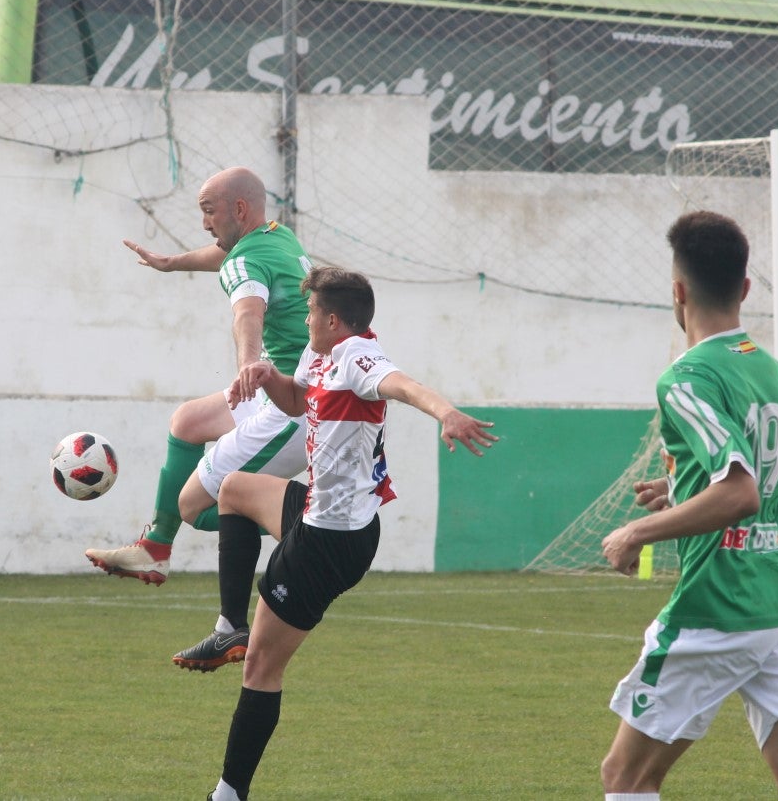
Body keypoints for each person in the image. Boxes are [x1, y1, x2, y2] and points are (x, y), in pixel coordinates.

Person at [598, 211, 778, 801]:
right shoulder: (774, 374)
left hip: (720, 607)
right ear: (746, 289)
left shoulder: (687, 377)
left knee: (626, 777)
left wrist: (637, 532)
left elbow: (742, 493)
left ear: (677, 291)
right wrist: (684, 490)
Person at [203, 266, 498, 801]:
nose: (307, 318)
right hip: (325, 513)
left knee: (262, 668)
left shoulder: (357, 355)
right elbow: (300, 401)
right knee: (235, 489)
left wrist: (446, 412)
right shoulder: (318, 355)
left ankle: (228, 794)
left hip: (328, 541)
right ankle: (230, 624)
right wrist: (271, 379)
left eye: (312, 311)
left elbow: (404, 386)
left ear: (333, 320)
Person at [85, 168, 311, 659]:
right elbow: (227, 257)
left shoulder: (247, 262)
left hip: (292, 409)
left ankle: (309, 524)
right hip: (282, 383)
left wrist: (248, 362)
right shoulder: (278, 236)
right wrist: (172, 263)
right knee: (188, 422)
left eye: (209, 211)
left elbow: (246, 311)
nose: (205, 224)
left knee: (197, 506)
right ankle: (156, 548)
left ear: (239, 210)